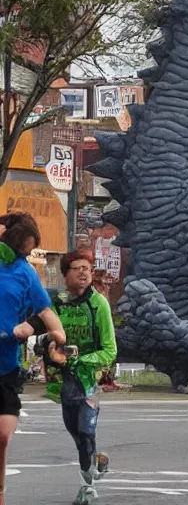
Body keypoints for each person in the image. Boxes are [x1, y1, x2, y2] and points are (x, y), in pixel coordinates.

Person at [29, 250, 117, 505]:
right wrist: (44, 344)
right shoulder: (56, 300)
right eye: (77, 268)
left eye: (87, 269)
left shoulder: (98, 304)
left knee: (86, 430)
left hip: (89, 378)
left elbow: (110, 350)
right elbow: (42, 329)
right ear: (65, 274)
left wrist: (79, 360)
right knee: (76, 433)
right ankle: (96, 459)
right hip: (62, 378)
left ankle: (87, 488)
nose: (83, 273)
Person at [1, 213, 66, 505]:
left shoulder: (24, 273)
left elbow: (47, 314)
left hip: (6, 366)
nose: (25, 256)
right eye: (23, 249)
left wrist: (44, 329)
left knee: (3, 434)